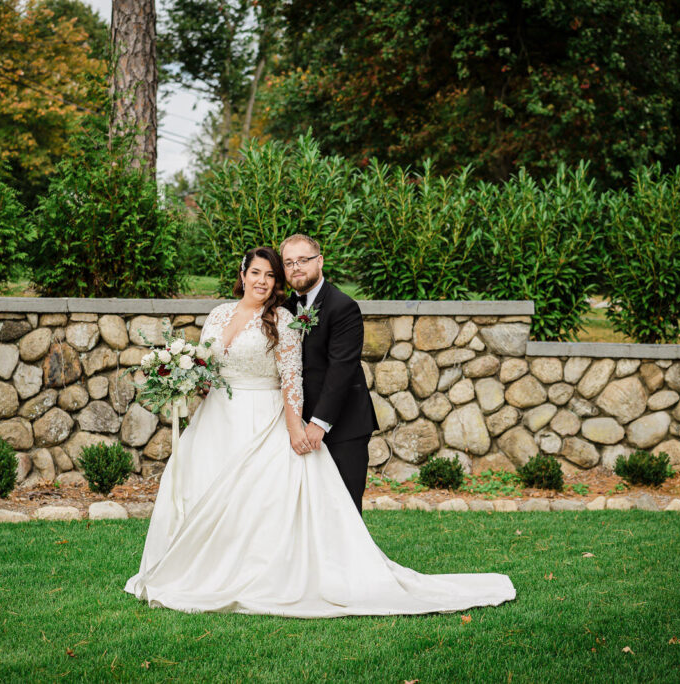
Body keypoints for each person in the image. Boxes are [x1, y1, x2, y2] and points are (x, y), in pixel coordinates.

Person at [124, 246, 515, 618]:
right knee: (200, 490)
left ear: (276, 283)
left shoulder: (282, 319)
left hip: (261, 417)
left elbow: (292, 379)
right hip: (214, 420)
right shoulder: (218, 315)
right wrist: (188, 379)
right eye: (255, 272)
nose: (262, 280)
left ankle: (253, 575)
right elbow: (208, 365)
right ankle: (200, 571)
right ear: (242, 275)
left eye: (270, 275)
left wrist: (297, 428)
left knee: (255, 500)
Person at [280, 234, 377, 514]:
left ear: (319, 261)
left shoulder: (342, 306)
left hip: (343, 425)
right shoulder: (285, 310)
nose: (296, 267)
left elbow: (342, 369)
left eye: (303, 260)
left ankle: (353, 559)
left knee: (344, 506)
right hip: (299, 427)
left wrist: (319, 423)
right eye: (289, 262)